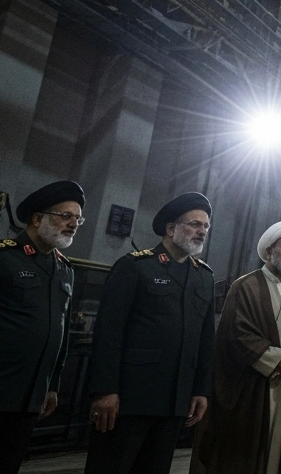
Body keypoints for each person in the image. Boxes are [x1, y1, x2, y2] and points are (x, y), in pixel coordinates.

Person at [85, 193, 217, 474]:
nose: (202, 231)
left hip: (174, 402)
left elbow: (206, 340)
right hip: (129, 399)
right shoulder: (136, 267)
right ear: (171, 229)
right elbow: (109, 332)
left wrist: (200, 390)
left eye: (206, 226)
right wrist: (105, 390)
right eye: (195, 224)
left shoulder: (203, 276)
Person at [0, 181, 82, 474]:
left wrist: (52, 385)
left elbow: (61, 332)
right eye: (65, 216)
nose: (73, 224)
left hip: (28, 400)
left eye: (77, 219)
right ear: (37, 218)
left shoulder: (64, 270)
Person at [191, 221, 281, 474]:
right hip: (252, 390)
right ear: (270, 252)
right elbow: (236, 335)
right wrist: (277, 360)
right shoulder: (245, 286)